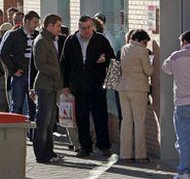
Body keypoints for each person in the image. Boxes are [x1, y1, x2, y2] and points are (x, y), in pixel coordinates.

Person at [61, 15, 114, 158]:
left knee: (100, 117)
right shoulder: (71, 41)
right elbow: (64, 64)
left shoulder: (101, 40)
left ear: (93, 26)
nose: (86, 31)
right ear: (79, 28)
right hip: (78, 86)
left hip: (96, 85)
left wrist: (105, 59)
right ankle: (85, 147)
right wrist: (65, 85)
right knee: (81, 119)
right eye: (83, 28)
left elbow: (112, 58)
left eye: (89, 28)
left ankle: (104, 146)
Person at [32, 14, 64, 163]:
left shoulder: (49, 40)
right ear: (49, 26)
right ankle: (41, 154)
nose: (60, 29)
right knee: (43, 121)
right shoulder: (42, 41)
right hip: (44, 86)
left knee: (50, 121)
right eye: (58, 26)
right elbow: (40, 65)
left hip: (51, 86)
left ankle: (49, 152)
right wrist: (56, 71)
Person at [118, 29, 153, 163]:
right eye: (145, 42)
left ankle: (125, 155)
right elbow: (148, 71)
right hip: (138, 89)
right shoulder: (142, 51)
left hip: (123, 88)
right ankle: (140, 155)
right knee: (139, 122)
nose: (146, 45)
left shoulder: (124, 48)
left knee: (126, 121)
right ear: (139, 40)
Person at [0, 11, 40, 114]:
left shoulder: (37, 35)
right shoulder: (14, 35)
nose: (36, 25)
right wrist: (13, 69)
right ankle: (15, 129)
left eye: (37, 23)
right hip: (20, 76)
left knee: (33, 107)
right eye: (34, 22)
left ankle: (31, 130)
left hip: (33, 77)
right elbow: (3, 53)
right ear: (26, 21)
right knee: (17, 106)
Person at [162, 31, 190, 178]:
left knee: (184, 138)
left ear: (184, 41)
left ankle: (184, 171)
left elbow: (165, 68)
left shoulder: (176, 56)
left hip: (182, 102)